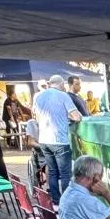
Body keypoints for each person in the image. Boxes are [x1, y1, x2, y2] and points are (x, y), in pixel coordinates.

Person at [33, 73, 82, 201]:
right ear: (61, 84)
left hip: (43, 139)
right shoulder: (63, 96)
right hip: (59, 140)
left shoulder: (39, 96)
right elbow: (76, 116)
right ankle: (66, 201)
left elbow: (36, 117)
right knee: (65, 173)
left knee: (53, 171)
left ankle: (55, 200)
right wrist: (72, 117)